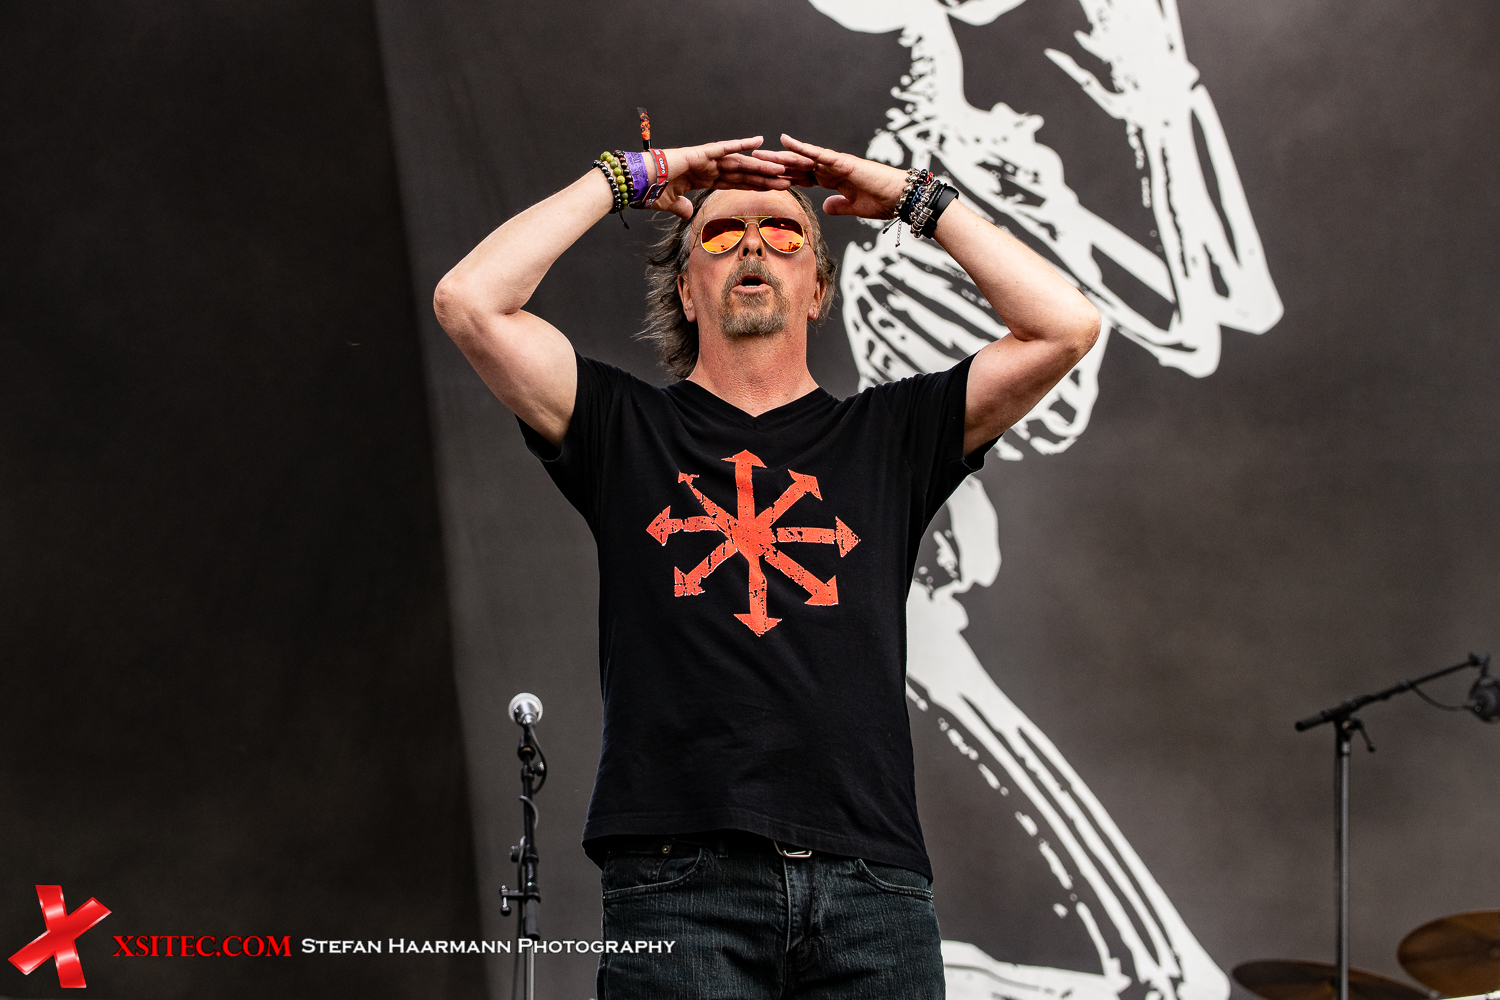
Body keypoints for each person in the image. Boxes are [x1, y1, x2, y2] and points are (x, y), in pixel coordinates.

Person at [432, 132, 1100, 1000]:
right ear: (686, 289)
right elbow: (471, 301)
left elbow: (1067, 325)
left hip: (873, 886)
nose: (752, 244)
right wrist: (632, 177)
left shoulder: (890, 437)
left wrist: (913, 197)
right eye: (720, 233)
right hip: (679, 884)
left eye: (785, 232)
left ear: (818, 289)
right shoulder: (623, 430)